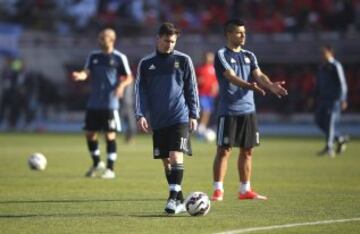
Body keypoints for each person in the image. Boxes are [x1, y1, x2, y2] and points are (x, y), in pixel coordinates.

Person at [211, 19, 288, 201]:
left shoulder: (249, 55)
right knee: (224, 150)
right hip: (228, 110)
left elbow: (259, 75)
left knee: (247, 151)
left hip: (248, 110)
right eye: (239, 32)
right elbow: (230, 76)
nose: (244, 35)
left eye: (244, 32)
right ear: (228, 34)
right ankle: (218, 190)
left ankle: (245, 190)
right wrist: (249, 86)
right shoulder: (221, 54)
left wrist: (270, 86)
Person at [135, 22, 200, 214]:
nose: (170, 45)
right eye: (167, 41)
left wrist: (194, 114)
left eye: (173, 41)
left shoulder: (184, 60)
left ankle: (172, 199)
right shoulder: (146, 63)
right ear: (158, 38)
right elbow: (140, 91)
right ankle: (179, 198)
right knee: (166, 160)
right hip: (159, 119)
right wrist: (140, 114)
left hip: (179, 116)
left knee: (175, 155)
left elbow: (192, 89)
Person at [72, 28, 133, 179]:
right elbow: (87, 71)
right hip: (94, 102)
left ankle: (110, 169)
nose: (100, 41)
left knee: (109, 135)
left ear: (112, 40)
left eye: (103, 38)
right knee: (90, 134)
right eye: (99, 38)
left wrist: (120, 86)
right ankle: (97, 162)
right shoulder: (93, 56)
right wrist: (80, 75)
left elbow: (129, 77)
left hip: (110, 103)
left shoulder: (119, 57)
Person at [314, 45, 349, 158]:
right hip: (323, 99)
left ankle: (329, 147)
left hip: (334, 100)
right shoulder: (321, 67)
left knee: (329, 123)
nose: (321, 55)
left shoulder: (335, 66)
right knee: (318, 120)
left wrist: (343, 98)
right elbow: (319, 84)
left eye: (324, 52)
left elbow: (342, 84)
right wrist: (314, 96)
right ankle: (340, 138)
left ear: (330, 53)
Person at [195, 51, 218, 138]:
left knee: (208, 111)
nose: (209, 59)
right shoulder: (199, 68)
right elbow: (194, 80)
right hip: (201, 93)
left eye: (211, 57)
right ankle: (200, 127)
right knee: (205, 109)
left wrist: (215, 88)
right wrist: (199, 81)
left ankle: (202, 127)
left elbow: (215, 81)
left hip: (210, 94)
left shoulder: (213, 69)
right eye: (208, 57)